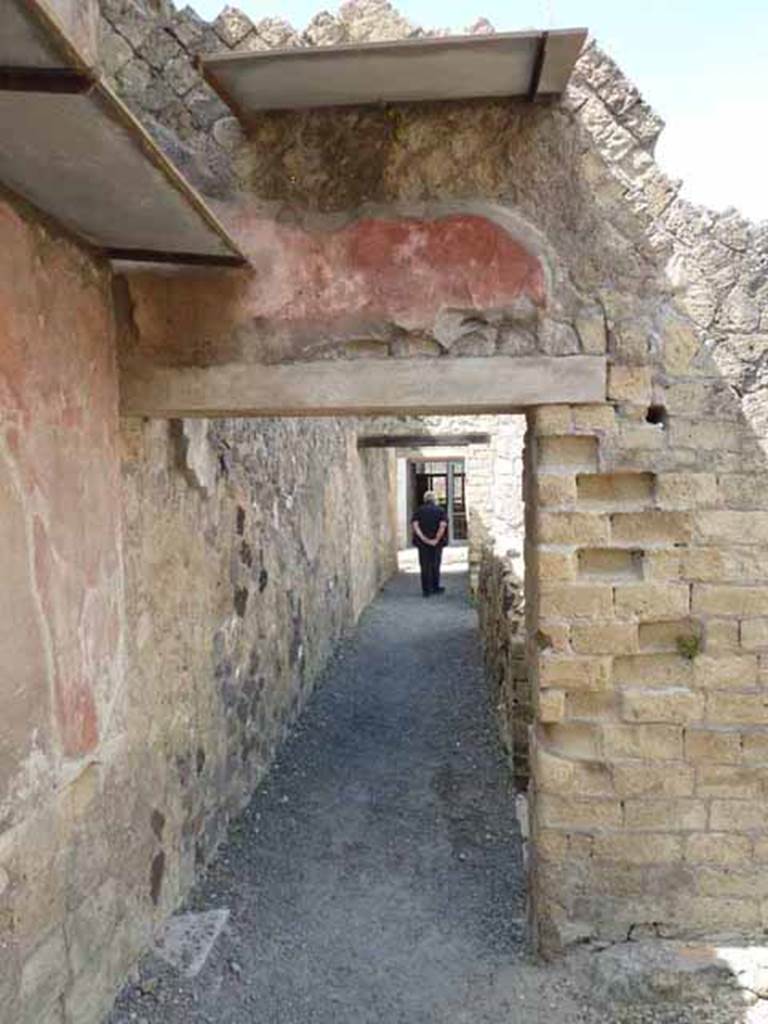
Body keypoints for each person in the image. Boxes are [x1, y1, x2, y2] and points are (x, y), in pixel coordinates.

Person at [411, 490, 448, 597]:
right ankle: (435, 587)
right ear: (434, 499)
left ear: (425, 499)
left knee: (424, 565)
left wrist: (423, 538)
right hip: (437, 544)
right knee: (435, 564)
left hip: (422, 544)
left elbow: (415, 525)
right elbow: (442, 526)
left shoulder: (419, 511)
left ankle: (426, 590)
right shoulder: (440, 510)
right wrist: (436, 539)